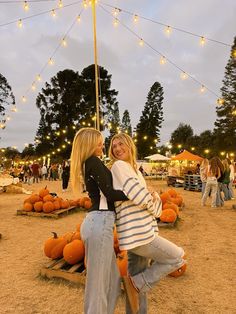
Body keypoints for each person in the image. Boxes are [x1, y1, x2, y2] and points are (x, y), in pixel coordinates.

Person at [109, 133, 186, 314]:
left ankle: (136, 293)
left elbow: (157, 208)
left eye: (121, 144)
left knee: (136, 283)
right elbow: (139, 195)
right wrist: (150, 197)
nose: (118, 148)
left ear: (130, 146)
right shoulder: (119, 166)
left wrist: (153, 197)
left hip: (140, 231)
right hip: (139, 233)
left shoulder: (134, 170)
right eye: (114, 146)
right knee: (177, 257)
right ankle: (137, 283)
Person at [70, 128, 128, 314]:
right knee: (98, 287)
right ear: (89, 144)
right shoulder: (93, 161)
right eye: (99, 142)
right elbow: (110, 194)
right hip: (100, 222)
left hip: (99, 222)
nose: (102, 145)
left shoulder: (92, 163)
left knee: (113, 279)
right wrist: (137, 194)